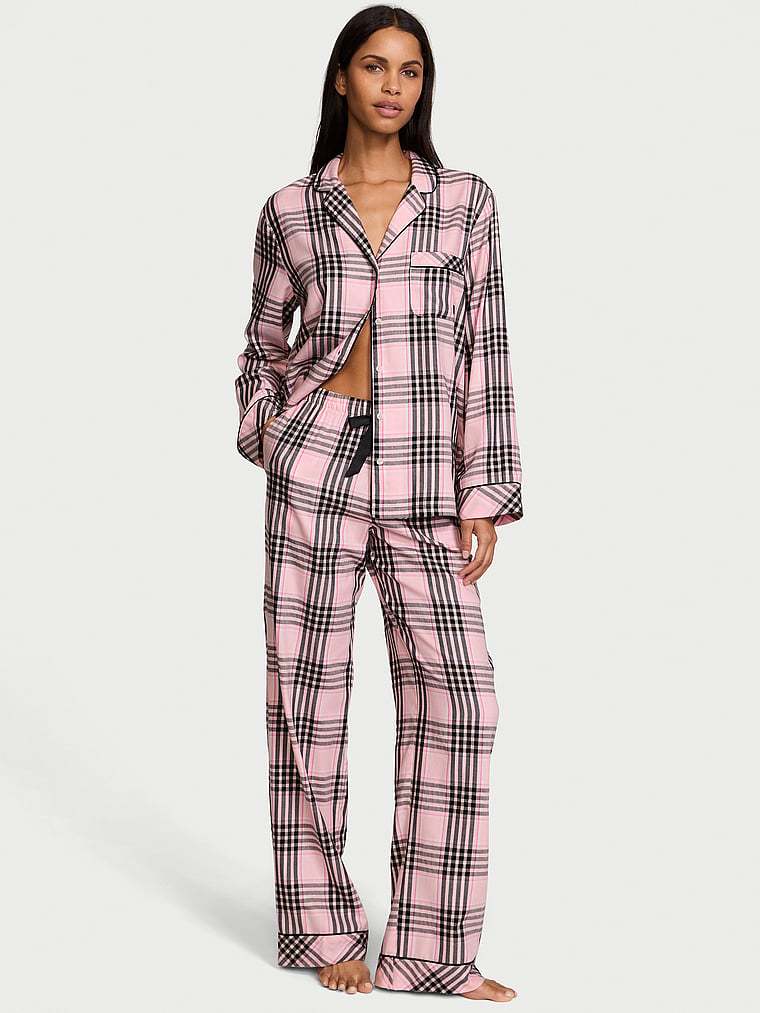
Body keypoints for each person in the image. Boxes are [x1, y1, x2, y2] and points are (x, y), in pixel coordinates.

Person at [234, 5, 522, 1002]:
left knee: (461, 697)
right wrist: (271, 434)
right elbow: (262, 345)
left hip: (428, 474)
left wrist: (484, 490)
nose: (393, 85)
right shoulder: (291, 209)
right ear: (341, 80)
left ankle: (433, 950)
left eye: (410, 70)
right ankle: (323, 931)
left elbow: (486, 349)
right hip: (317, 461)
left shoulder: (464, 202)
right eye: (374, 65)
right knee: (304, 697)